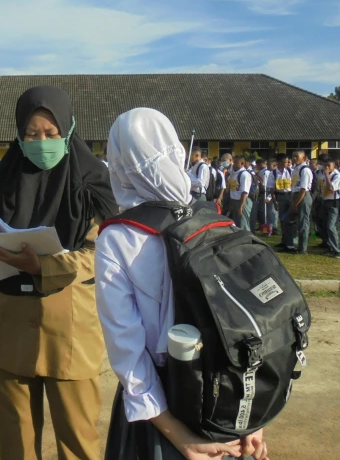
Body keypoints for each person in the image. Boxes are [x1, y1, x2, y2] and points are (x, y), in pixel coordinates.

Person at [95, 108, 267, 460]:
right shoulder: (219, 223)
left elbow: (127, 351)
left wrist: (179, 436)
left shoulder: (117, 239)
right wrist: (255, 415)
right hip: (231, 401)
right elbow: (253, 325)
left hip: (162, 407)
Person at [0, 85, 117, 460]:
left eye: (50, 133)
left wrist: (42, 265)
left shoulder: (93, 184)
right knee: (16, 442)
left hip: (69, 329)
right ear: (18, 135)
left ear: (69, 129)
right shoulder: (2, 183)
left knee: (78, 441)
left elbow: (106, 253)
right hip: (7, 325)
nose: (41, 142)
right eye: (31, 135)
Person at [284, 150, 314, 255]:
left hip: (303, 197)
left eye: (297, 156)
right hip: (295, 196)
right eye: (293, 156)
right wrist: (293, 201)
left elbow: (303, 189)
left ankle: (303, 249)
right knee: (288, 220)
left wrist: (296, 204)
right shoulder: (295, 169)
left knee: (303, 223)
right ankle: (290, 244)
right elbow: (294, 187)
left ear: (304, 158)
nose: (294, 158)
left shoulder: (305, 170)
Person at [320, 159, 340, 259]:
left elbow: (331, 188)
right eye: (325, 165)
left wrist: (327, 175)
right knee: (325, 225)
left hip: (333, 203)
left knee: (331, 226)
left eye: (329, 165)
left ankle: (337, 250)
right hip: (325, 201)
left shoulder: (336, 176)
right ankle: (330, 247)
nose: (326, 168)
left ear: (334, 166)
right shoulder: (324, 175)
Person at [228, 155, 252, 231]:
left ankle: (247, 241)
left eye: (236, 163)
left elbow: (245, 192)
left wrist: (241, 207)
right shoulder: (234, 174)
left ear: (242, 163)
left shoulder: (244, 174)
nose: (234, 164)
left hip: (242, 202)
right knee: (237, 224)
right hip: (235, 201)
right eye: (233, 162)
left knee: (243, 224)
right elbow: (233, 190)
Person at [272, 154, 292, 244]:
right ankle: (284, 240)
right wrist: (275, 202)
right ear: (279, 162)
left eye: (288, 162)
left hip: (290, 196)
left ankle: (291, 240)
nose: (287, 163)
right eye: (285, 162)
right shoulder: (273, 173)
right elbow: (271, 189)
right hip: (280, 196)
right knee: (282, 219)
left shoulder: (291, 171)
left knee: (290, 219)